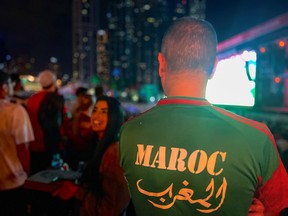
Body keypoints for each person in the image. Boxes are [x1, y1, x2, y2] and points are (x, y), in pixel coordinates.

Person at [119, 17, 288, 215]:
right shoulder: (258, 137)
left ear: (161, 63)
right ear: (214, 67)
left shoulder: (128, 132)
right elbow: (279, 207)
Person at [53, 96, 130, 215]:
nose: (96, 116)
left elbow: (113, 206)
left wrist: (77, 192)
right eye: (95, 110)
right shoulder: (98, 144)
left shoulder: (114, 152)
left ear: (115, 117)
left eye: (104, 112)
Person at [0, 70, 34, 216]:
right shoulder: (15, 111)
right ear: (4, 87)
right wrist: (26, 174)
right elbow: (23, 149)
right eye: (10, 83)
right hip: (12, 181)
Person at [26, 69, 65, 174]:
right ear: (53, 83)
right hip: (50, 148)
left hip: (33, 146)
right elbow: (61, 123)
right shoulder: (56, 100)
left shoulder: (31, 99)